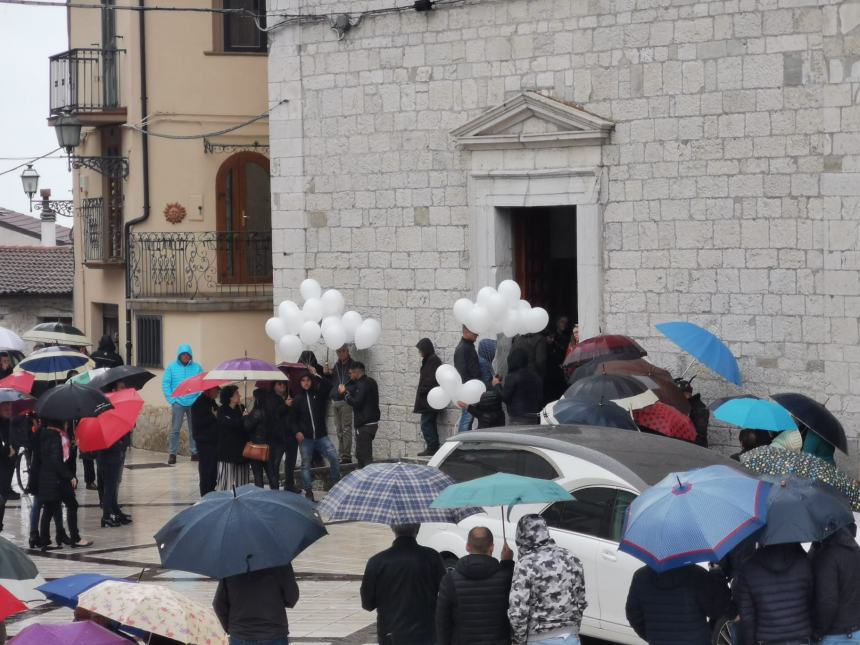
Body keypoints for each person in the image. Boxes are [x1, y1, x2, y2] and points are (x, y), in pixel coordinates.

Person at [361, 523, 446, 645]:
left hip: (391, 633)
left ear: (392, 528)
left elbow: (367, 604)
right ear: (418, 528)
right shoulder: (432, 557)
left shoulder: (377, 561)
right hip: (427, 633)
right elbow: (445, 592)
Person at [508, 514, 586, 645]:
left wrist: (519, 641)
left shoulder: (525, 564)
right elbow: (581, 601)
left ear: (521, 535)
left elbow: (518, 612)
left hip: (539, 639)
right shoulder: (572, 558)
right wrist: (574, 629)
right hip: (571, 637)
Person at [436, 526, 515, 645]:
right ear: (492, 547)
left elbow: (442, 622)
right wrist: (507, 562)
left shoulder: (449, 580)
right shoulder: (505, 577)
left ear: (467, 546)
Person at [625, 564, 732, 645]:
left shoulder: (640, 577)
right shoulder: (697, 574)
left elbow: (633, 615)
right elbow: (716, 610)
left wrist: (653, 636)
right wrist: (717, 574)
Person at [734, 542, 813, 645]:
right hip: (801, 636)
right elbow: (811, 600)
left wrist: (750, 642)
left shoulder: (748, 568)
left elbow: (747, 615)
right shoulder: (803, 562)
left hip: (767, 638)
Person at [34, 418, 92, 551]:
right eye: (66, 423)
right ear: (61, 423)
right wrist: (70, 475)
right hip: (57, 479)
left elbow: (56, 456)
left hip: (47, 477)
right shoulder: (57, 436)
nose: (67, 425)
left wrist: (71, 446)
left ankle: (45, 541)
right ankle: (75, 538)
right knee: (72, 505)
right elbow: (58, 460)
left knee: (49, 508)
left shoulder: (46, 433)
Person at [213, 564, 299, 645]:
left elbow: (218, 604)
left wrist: (233, 628)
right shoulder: (280, 562)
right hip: (274, 633)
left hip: (240, 635)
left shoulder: (231, 565)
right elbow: (291, 598)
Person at [289, 368, 339, 501]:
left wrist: (316, 373)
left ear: (311, 381)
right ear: (300, 383)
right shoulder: (297, 399)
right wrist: (297, 432)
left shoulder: (318, 394)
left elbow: (328, 384)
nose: (305, 383)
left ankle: (336, 487)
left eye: (308, 380)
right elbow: (292, 420)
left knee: (334, 458)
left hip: (322, 437)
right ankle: (309, 492)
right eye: (303, 381)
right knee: (305, 465)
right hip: (306, 439)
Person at [812, 524, 860, 643]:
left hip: (835, 634)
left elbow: (827, 601)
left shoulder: (828, 557)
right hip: (856, 630)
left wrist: (818, 632)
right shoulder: (856, 551)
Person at [161, 344, 204, 465]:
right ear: (179, 355)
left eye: (187, 354)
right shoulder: (171, 368)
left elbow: (202, 383)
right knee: (175, 430)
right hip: (178, 403)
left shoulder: (197, 368)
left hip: (193, 402)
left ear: (190, 356)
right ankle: (172, 454)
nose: (185, 356)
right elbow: (166, 384)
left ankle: (194, 452)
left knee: (193, 429)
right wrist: (172, 400)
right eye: (183, 354)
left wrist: (198, 397)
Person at [342, 362, 380, 468]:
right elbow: (359, 393)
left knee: (365, 457)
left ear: (356, 372)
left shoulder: (362, 384)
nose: (350, 376)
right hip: (371, 423)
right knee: (360, 454)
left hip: (365, 425)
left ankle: (368, 479)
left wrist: (345, 394)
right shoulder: (371, 382)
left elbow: (357, 402)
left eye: (350, 373)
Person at [494, 348, 543, 425]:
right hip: (533, 416)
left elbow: (505, 397)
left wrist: (497, 384)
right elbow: (540, 397)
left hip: (517, 417)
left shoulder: (512, 376)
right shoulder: (535, 375)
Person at [325, 344, 356, 464]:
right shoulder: (337, 365)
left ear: (347, 351)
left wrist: (347, 389)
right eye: (338, 351)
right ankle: (341, 452)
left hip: (346, 401)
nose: (341, 353)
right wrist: (327, 373)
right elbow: (332, 382)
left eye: (343, 351)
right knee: (339, 429)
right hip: (335, 400)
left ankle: (346, 455)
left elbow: (356, 383)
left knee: (346, 428)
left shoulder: (352, 365)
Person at [215, 385, 251, 490]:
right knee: (226, 480)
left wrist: (247, 419)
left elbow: (245, 426)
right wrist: (243, 419)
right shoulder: (222, 410)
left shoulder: (242, 408)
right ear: (230, 397)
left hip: (241, 450)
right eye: (236, 394)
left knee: (242, 481)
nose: (239, 395)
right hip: (227, 451)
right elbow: (229, 424)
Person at [413, 338, 443, 456]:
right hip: (429, 399)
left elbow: (430, 379)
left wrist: (422, 390)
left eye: (421, 349)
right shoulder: (429, 360)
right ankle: (433, 447)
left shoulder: (432, 361)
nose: (419, 352)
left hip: (430, 399)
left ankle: (432, 447)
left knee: (426, 423)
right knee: (429, 423)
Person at [191, 385, 220, 496]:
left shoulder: (211, 402)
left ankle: (211, 492)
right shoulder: (199, 403)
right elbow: (198, 423)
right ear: (210, 390)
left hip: (213, 441)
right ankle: (205, 494)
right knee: (206, 470)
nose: (218, 392)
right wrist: (213, 416)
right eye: (216, 390)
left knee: (212, 471)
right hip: (204, 442)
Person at [267, 381, 295, 491]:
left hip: (291, 434)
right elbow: (274, 415)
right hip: (277, 437)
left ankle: (290, 485)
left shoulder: (290, 395)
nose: (282, 385)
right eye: (279, 384)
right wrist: (285, 405)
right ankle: (275, 488)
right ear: (274, 386)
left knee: (291, 462)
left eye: (284, 383)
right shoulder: (271, 399)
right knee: (275, 464)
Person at [454, 326, 481, 433]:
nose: (477, 335)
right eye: (474, 332)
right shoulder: (463, 348)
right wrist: (470, 389)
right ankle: (461, 446)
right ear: (467, 331)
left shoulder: (467, 346)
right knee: (467, 420)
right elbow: (462, 372)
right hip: (469, 391)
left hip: (472, 389)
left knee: (468, 419)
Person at [244, 388, 270, 488]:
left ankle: (260, 496)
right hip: (268, 445)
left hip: (257, 447)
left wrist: (246, 417)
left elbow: (247, 426)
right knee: (271, 473)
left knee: (258, 475)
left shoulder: (256, 412)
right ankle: (275, 494)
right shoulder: (269, 411)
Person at [675, 378, 710, 447]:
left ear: (686, 394)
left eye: (678, 394)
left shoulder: (699, 408)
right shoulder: (683, 405)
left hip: (695, 447)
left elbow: (700, 434)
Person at [544, 316, 570, 403]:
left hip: (564, 365)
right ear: (557, 323)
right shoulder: (552, 335)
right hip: (552, 367)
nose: (564, 324)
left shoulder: (568, 336)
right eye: (562, 322)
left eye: (566, 323)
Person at [0, 403, 16, 532]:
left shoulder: (9, 423)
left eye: (10, 407)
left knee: (2, 501)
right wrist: (7, 451)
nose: (8, 410)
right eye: (5, 407)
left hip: (6, 470)